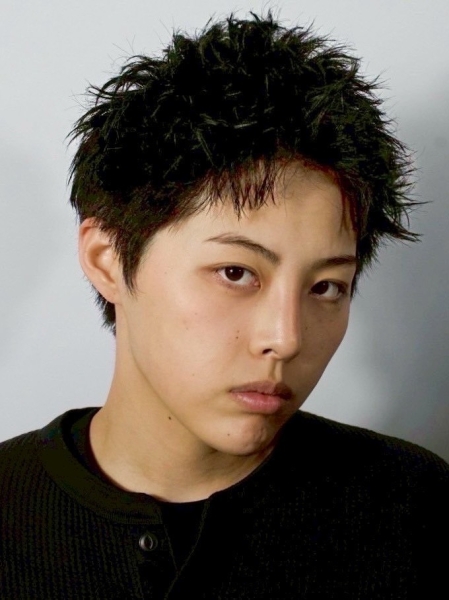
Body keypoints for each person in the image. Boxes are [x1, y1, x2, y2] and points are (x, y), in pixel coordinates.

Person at [1, 12, 447, 599]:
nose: (285, 338)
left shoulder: (418, 511)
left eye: (326, 287)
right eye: (236, 273)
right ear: (108, 260)